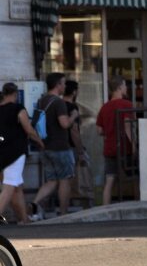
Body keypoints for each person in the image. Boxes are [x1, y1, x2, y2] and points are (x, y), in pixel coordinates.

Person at [0, 82, 44, 223]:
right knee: (9, 187)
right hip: (15, 152)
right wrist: (40, 141)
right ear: (16, 94)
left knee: (17, 187)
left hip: (1, 152)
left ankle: (24, 219)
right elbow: (29, 129)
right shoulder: (19, 108)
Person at [31, 72, 74, 219]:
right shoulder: (58, 102)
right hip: (60, 147)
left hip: (45, 147)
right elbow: (64, 123)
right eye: (63, 83)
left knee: (51, 181)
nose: (65, 86)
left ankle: (35, 203)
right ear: (58, 85)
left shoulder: (42, 100)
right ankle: (63, 213)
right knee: (65, 179)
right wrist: (73, 116)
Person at [96, 75, 134, 207]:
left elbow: (99, 131)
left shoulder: (104, 107)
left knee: (109, 180)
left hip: (110, 148)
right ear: (119, 88)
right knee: (135, 178)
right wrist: (134, 145)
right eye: (124, 85)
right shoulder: (127, 104)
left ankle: (105, 208)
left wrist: (110, 130)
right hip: (125, 148)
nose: (126, 88)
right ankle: (138, 205)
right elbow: (127, 125)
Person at [63, 79, 91, 204]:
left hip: (61, 145)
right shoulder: (72, 107)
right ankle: (74, 200)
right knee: (73, 178)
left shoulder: (59, 104)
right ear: (74, 92)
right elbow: (74, 130)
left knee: (63, 179)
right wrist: (80, 150)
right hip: (71, 146)